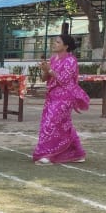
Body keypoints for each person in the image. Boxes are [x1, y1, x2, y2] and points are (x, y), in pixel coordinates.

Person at [33, 34, 90, 165]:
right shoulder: (53, 59)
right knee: (64, 125)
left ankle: (47, 155)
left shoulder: (71, 61)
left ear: (66, 46)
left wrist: (49, 70)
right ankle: (77, 153)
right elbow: (45, 78)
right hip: (52, 96)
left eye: (58, 42)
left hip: (65, 97)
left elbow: (63, 79)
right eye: (55, 41)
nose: (54, 44)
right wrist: (45, 70)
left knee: (50, 123)